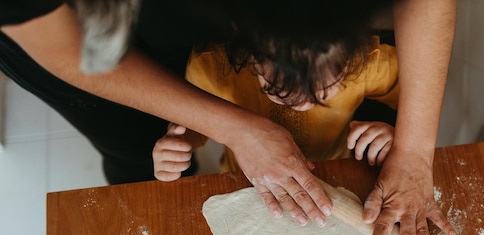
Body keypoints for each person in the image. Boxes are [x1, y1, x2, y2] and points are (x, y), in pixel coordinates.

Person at [0, 0, 458, 235]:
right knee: (131, 143)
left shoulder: (357, 57)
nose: (302, 104)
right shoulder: (217, 67)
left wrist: (412, 148)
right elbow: (67, 49)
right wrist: (226, 131)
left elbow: (391, 85)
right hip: (76, 41)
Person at [152, 35, 398, 211]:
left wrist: (395, 134)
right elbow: (196, 123)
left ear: (348, 62)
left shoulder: (369, 62)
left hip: (333, 174)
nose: (301, 105)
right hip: (245, 180)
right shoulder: (212, 67)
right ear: (252, 57)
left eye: (322, 92)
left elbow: (415, 97)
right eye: (278, 90)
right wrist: (180, 143)